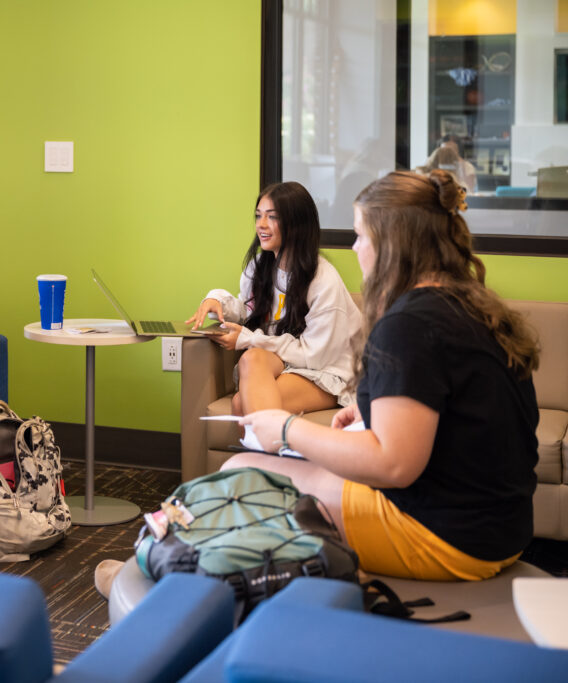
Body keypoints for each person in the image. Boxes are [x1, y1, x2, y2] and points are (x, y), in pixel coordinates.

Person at [230, 169, 540, 581]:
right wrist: (370, 413)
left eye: (360, 236)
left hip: (446, 536)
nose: (355, 248)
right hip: (503, 530)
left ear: (392, 243)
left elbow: (393, 465)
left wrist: (287, 429)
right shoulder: (472, 305)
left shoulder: (409, 323)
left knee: (238, 475)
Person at [186, 181, 361, 418]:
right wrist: (217, 301)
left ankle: (258, 443)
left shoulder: (323, 279)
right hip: (285, 361)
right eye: (259, 216)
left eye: (272, 217)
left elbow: (315, 356)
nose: (261, 224)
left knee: (241, 403)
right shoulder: (258, 267)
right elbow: (249, 310)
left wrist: (249, 339)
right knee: (252, 357)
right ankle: (263, 441)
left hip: (327, 369)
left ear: (297, 223)